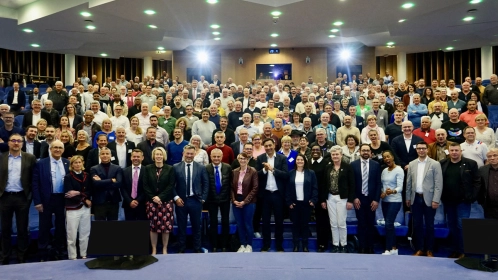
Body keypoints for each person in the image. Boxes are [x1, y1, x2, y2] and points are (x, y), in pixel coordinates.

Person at [0, 134, 37, 264]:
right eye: (13, 140)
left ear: (22, 143)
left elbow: (34, 179)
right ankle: (5, 256)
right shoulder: (1, 157)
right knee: (5, 229)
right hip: (5, 198)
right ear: (8, 143)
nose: (16, 143)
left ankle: (22, 257)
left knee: (22, 229)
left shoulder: (30, 158)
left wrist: (30, 196)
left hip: (22, 197)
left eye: (19, 141)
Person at [440, 143, 480, 259]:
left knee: (462, 226)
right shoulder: (443, 163)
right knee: (451, 226)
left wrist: (472, 196)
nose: (454, 152)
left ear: (461, 151)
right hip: (448, 201)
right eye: (452, 150)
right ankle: (454, 250)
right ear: (448, 151)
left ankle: (463, 251)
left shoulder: (470, 163)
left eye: (456, 150)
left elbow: (477, 181)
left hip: (463, 201)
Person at [32, 140, 70, 261]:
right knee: (44, 226)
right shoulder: (41, 163)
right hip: (46, 199)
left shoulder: (67, 163)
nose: (58, 150)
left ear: (63, 150)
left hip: (62, 199)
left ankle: (59, 250)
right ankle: (43, 251)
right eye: (55, 147)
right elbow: (35, 184)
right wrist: (37, 201)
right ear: (50, 149)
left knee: (61, 225)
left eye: (60, 148)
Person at [406, 141, 443, 257]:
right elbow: (408, 183)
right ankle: (420, 249)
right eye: (419, 148)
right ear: (416, 150)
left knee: (430, 225)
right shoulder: (412, 164)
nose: (421, 150)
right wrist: (408, 197)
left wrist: (436, 199)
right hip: (415, 198)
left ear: (427, 150)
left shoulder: (435, 164)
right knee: (417, 225)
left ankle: (429, 250)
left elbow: (439, 183)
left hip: (430, 199)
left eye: (423, 148)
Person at [172, 145, 209, 253]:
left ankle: (197, 248)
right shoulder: (175, 167)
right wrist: (176, 198)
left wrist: (203, 199)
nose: (189, 155)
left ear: (194, 154)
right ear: (183, 154)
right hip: (181, 201)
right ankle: (181, 248)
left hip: (196, 200)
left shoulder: (201, 167)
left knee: (197, 226)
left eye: (191, 154)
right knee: (181, 226)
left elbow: (206, 184)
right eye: (187, 153)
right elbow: (171, 185)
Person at [257, 138, 289, 252]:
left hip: (278, 194)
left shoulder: (282, 158)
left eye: (270, 145)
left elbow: (286, 175)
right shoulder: (260, 158)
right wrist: (265, 170)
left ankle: (279, 245)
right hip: (265, 194)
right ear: (263, 147)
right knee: (265, 221)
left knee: (279, 221)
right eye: (266, 146)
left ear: (274, 145)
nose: (268, 148)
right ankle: (266, 245)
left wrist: (273, 169)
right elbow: (256, 175)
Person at [321, 146, 354, 253]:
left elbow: (352, 184)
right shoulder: (328, 167)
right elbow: (324, 184)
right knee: (333, 222)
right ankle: (335, 244)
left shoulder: (348, 167)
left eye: (337, 154)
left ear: (341, 155)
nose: (335, 156)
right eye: (333, 154)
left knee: (341, 223)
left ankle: (343, 244)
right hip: (330, 197)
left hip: (342, 198)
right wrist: (323, 199)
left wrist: (350, 200)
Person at [143, 147, 175, 255]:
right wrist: (154, 197)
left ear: (164, 156)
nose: (158, 156)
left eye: (160, 154)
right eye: (156, 154)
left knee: (165, 227)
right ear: (153, 156)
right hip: (151, 202)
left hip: (166, 202)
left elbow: (171, 185)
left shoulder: (170, 169)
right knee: (153, 227)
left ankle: (165, 248)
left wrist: (160, 197)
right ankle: (154, 249)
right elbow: (145, 185)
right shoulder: (147, 168)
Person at [351, 144, 382, 254]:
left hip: (371, 200)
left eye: (367, 150)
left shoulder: (376, 165)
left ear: (370, 152)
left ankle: (370, 247)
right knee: (361, 223)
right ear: (359, 151)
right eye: (363, 150)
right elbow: (352, 183)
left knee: (370, 223)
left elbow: (379, 183)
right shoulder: (353, 165)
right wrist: (354, 197)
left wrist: (376, 200)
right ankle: (362, 247)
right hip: (359, 199)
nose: (365, 152)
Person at [286, 154, 318, 252]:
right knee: (295, 225)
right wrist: (289, 202)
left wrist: (313, 200)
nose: (300, 161)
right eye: (298, 160)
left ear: (305, 161)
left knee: (305, 225)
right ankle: (295, 245)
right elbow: (287, 189)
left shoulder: (311, 173)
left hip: (306, 204)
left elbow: (315, 187)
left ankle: (305, 245)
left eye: (301, 160)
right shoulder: (291, 173)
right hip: (294, 204)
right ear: (295, 161)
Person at [63, 155, 92, 260]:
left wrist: (79, 192)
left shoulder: (87, 175)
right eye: (75, 163)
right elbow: (69, 194)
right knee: (72, 234)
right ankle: (72, 256)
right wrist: (85, 199)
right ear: (72, 165)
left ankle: (83, 254)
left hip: (85, 209)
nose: (78, 164)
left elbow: (90, 191)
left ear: (82, 163)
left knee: (85, 233)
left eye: (79, 162)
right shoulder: (68, 177)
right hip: (73, 208)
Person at [205, 149, 233, 252]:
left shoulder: (228, 167)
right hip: (211, 199)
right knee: (213, 222)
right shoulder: (206, 168)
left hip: (225, 199)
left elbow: (230, 183)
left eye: (218, 157)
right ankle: (214, 245)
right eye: (214, 156)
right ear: (211, 157)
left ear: (221, 157)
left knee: (225, 221)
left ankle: (224, 245)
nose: (216, 159)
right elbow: (205, 184)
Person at [231, 152, 259, 253]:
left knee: (248, 224)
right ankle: (242, 244)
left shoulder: (253, 171)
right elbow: (231, 188)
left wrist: (245, 201)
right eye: (240, 159)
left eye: (244, 159)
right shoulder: (234, 171)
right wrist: (234, 200)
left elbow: (255, 188)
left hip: (249, 201)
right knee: (240, 224)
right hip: (236, 200)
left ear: (247, 160)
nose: (242, 160)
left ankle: (249, 245)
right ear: (238, 160)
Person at [379, 150, 404, 255]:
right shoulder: (384, 170)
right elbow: (382, 185)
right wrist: (382, 193)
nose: (386, 159)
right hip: (385, 201)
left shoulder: (399, 170)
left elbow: (400, 187)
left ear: (393, 157)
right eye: (384, 157)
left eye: (388, 156)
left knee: (389, 223)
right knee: (388, 225)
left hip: (395, 200)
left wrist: (392, 191)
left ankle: (388, 249)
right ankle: (394, 248)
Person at [90, 147, 123, 221]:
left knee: (113, 227)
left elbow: (119, 183)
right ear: (99, 155)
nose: (105, 155)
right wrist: (111, 180)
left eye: (107, 154)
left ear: (111, 155)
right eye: (103, 154)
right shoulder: (94, 169)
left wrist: (101, 182)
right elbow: (95, 184)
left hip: (113, 201)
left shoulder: (117, 168)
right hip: (99, 201)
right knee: (100, 227)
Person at [121, 149, 147, 221]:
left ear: (142, 158)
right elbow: (122, 188)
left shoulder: (147, 170)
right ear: (131, 157)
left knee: (141, 228)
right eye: (134, 156)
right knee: (130, 229)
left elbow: (147, 188)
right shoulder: (124, 171)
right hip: (128, 204)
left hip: (142, 204)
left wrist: (137, 201)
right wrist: (130, 201)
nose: (136, 158)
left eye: (138, 157)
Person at [478, 148, 498, 219]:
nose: (492, 158)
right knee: (491, 228)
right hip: (489, 206)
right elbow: (480, 186)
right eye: (489, 156)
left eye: (495, 155)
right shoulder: (482, 170)